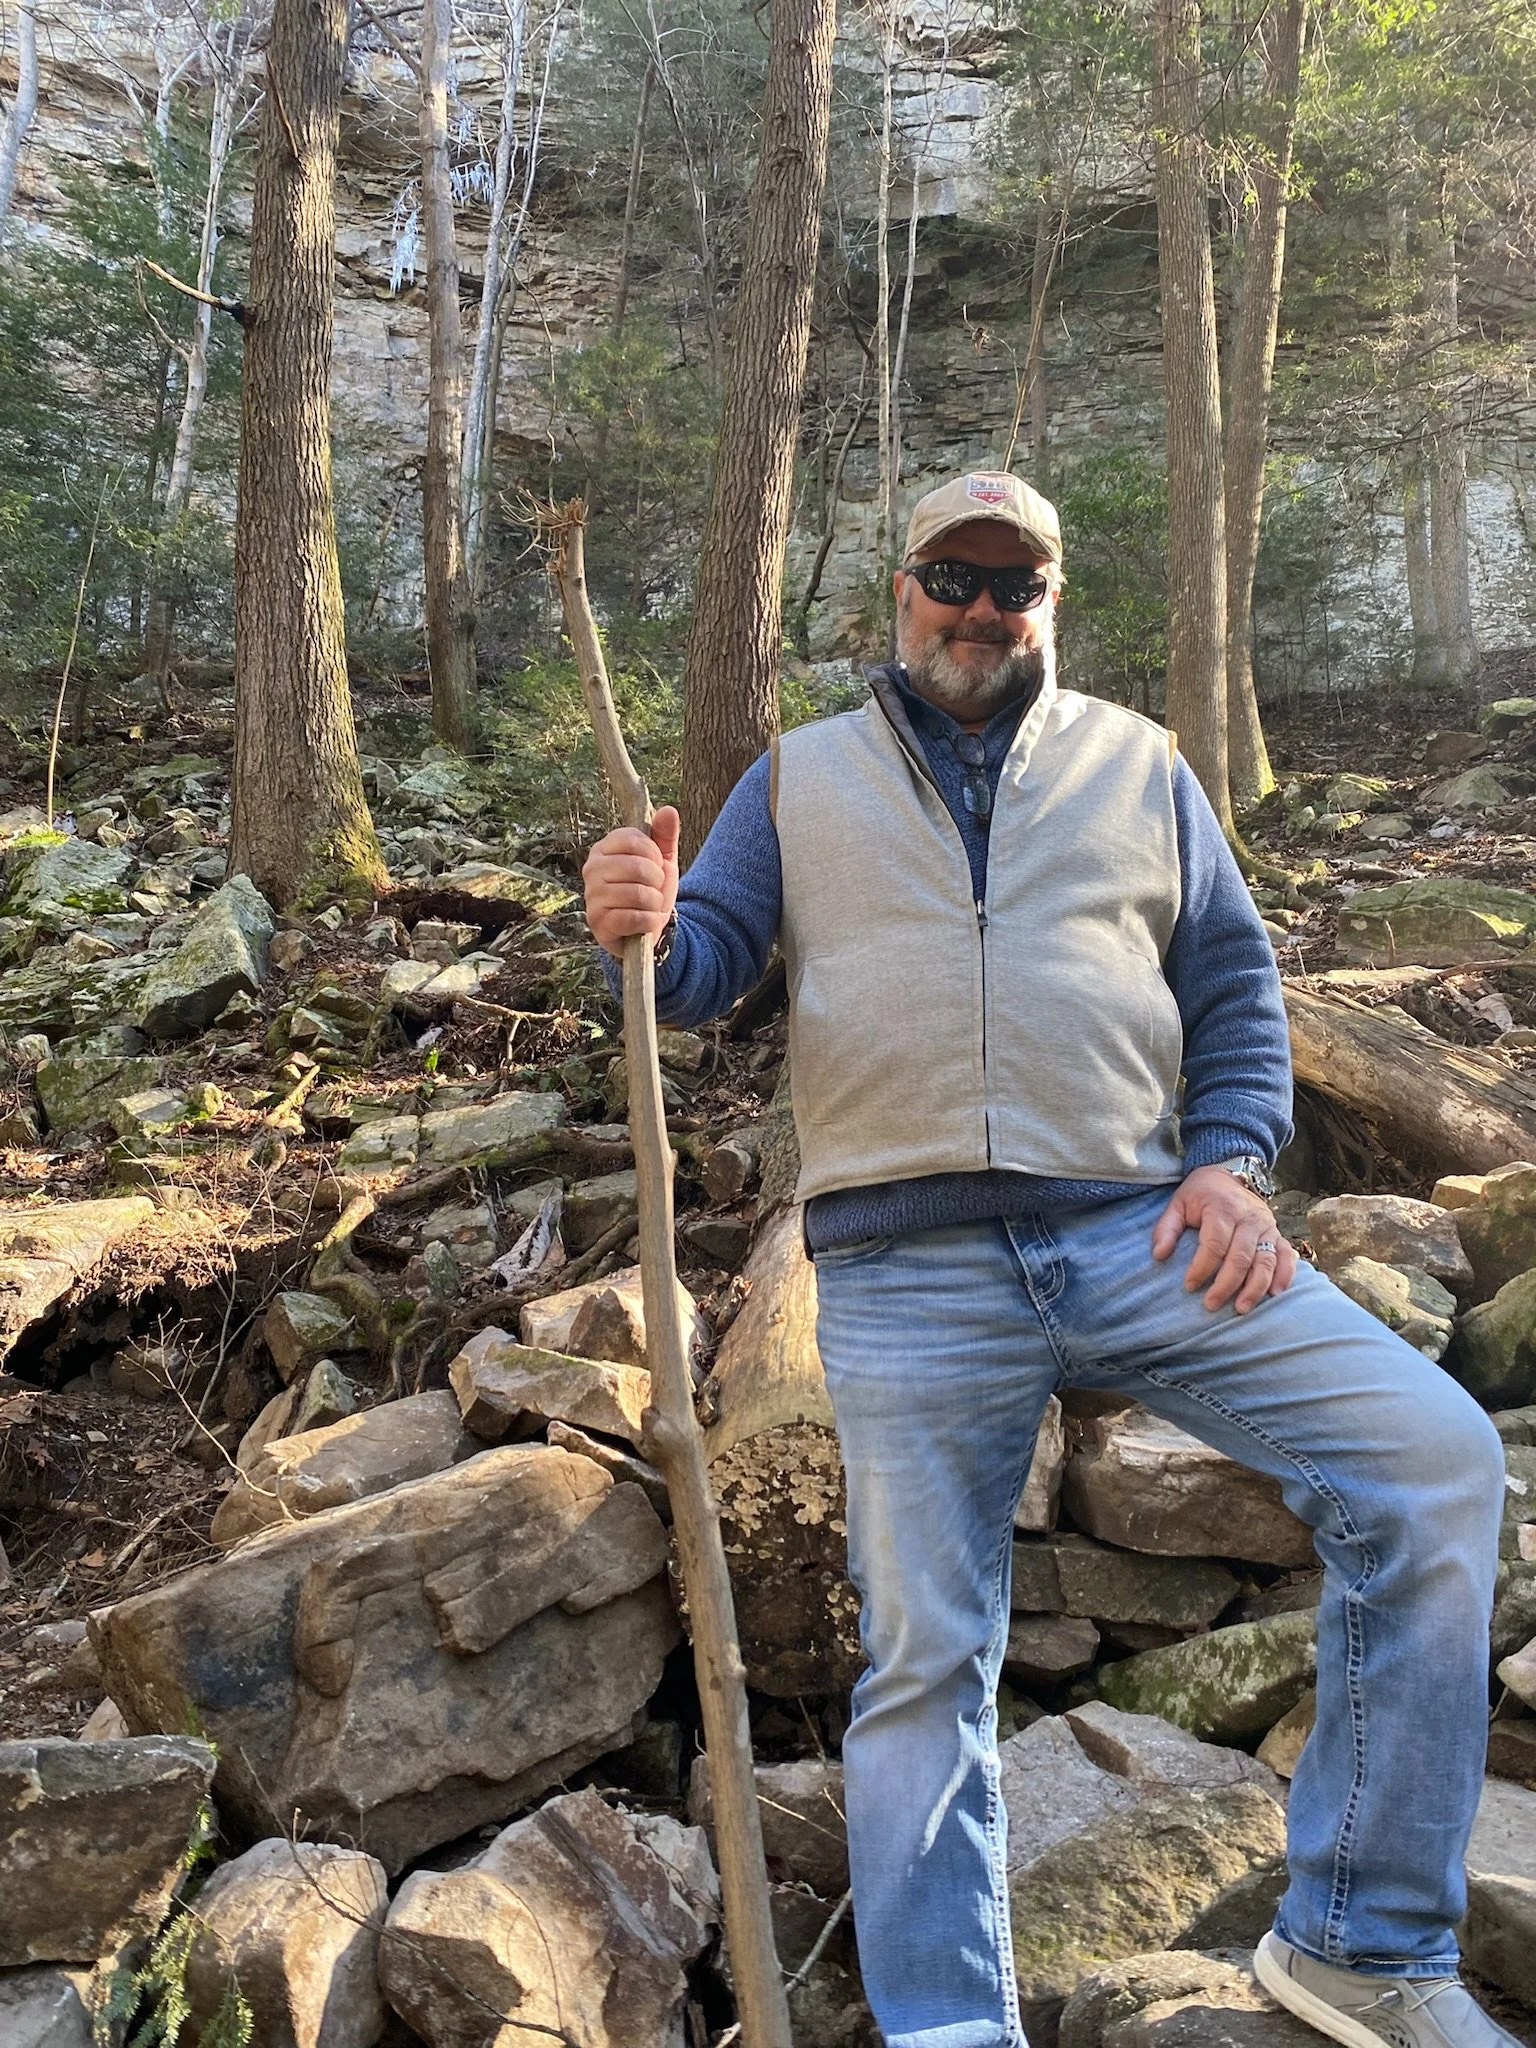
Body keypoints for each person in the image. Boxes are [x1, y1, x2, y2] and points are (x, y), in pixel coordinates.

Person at [581, 470, 1512, 2048]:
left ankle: (1360, 1944)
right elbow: (707, 967)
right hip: (904, 1265)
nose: (983, 610)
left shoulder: (1144, 768)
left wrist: (1231, 1166)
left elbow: (1231, 983)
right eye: (956, 573)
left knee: (1435, 1461)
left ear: (1051, 608)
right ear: (901, 588)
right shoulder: (796, 780)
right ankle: (950, 2026)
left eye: (1018, 586)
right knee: (927, 1662)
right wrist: (640, 923)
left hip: (1139, 1228)